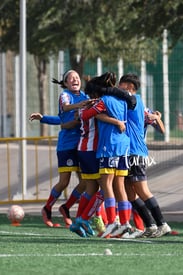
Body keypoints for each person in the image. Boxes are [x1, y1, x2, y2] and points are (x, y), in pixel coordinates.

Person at [30, 70, 92, 228]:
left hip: (82, 145)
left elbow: (63, 120)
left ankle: (66, 207)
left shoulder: (85, 97)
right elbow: (64, 111)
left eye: (77, 77)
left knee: (86, 182)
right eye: (71, 78)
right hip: (67, 145)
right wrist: (43, 119)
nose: (75, 79)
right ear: (65, 83)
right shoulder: (65, 95)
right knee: (64, 181)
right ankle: (47, 208)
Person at [118, 73, 171, 238]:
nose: (119, 88)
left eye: (121, 85)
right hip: (128, 152)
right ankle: (150, 225)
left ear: (128, 87)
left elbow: (161, 130)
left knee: (142, 189)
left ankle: (162, 224)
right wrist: (154, 117)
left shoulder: (135, 101)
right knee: (129, 192)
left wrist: (156, 118)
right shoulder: (131, 104)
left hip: (136, 151)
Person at [80, 72, 132, 238]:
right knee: (120, 186)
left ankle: (111, 222)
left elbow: (86, 115)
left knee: (107, 184)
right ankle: (125, 224)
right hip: (124, 145)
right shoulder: (123, 100)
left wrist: (92, 107)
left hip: (109, 146)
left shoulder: (103, 102)